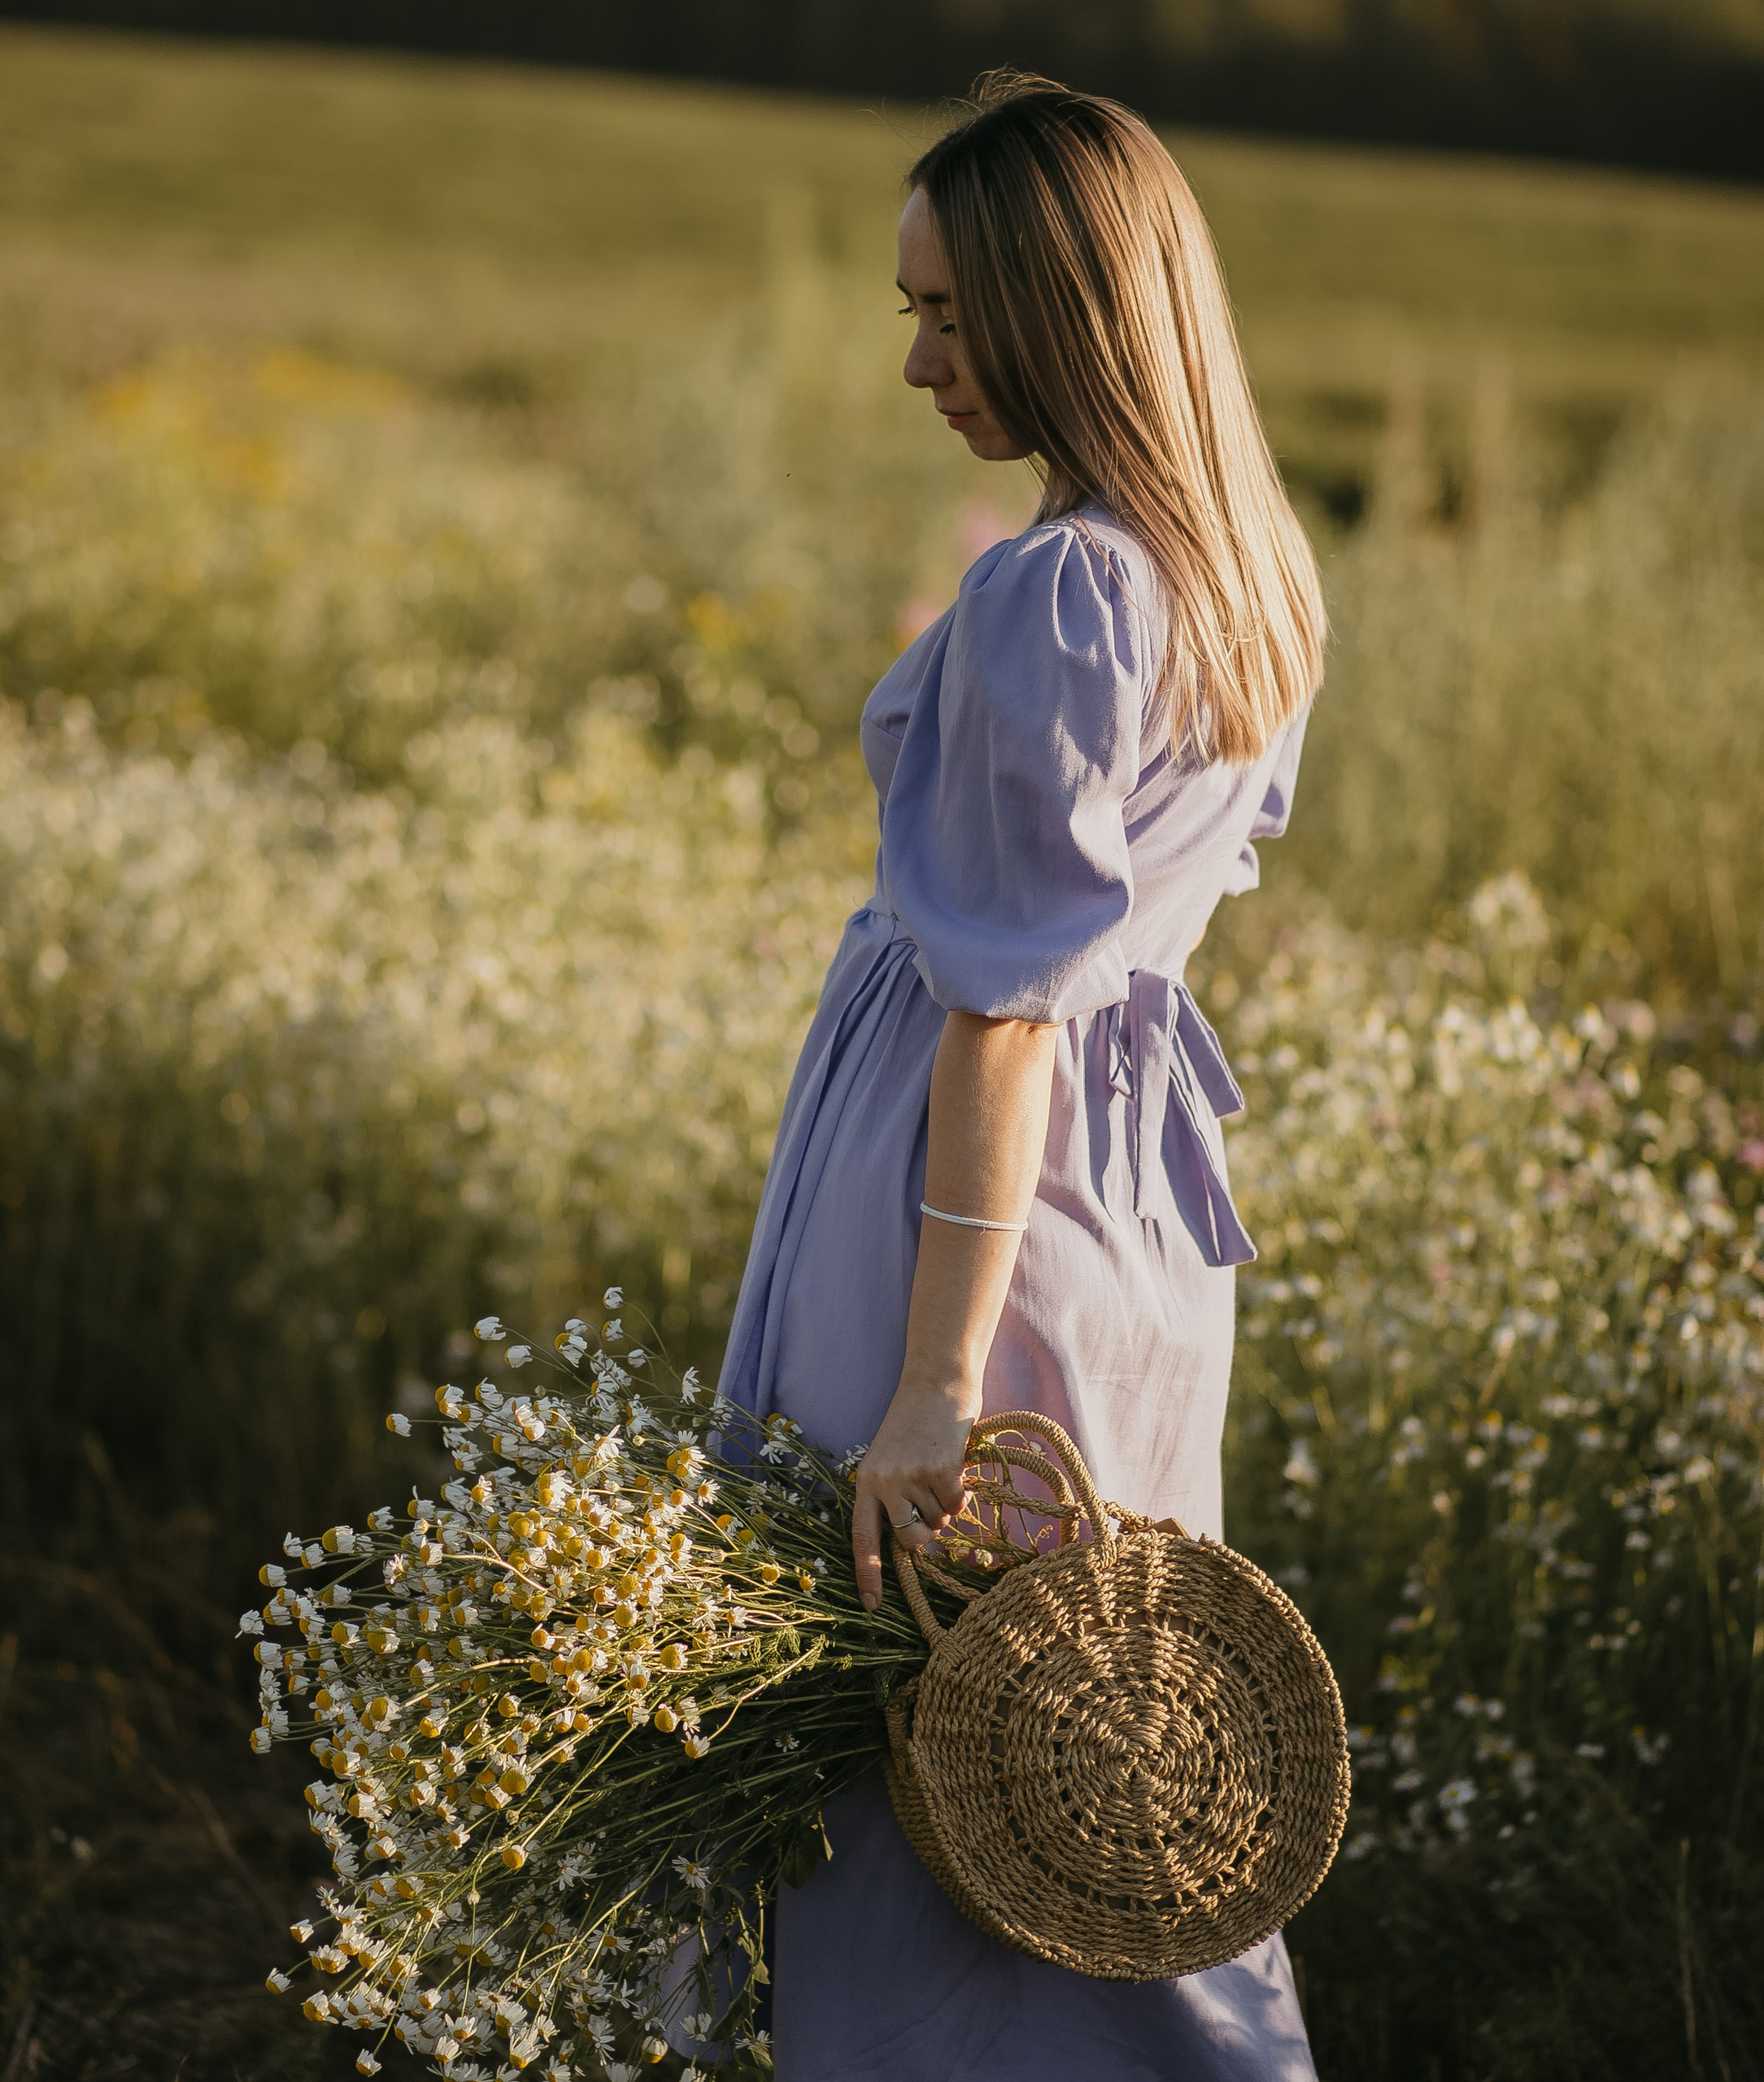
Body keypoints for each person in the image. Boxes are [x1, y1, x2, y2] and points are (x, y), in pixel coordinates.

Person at [716, 73, 1326, 2082]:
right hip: (1130, 1223)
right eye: (911, 310)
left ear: (1072, 310)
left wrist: (927, 1378)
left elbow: (1006, 1007)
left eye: (953, 318)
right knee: (1093, 1726)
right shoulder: (1233, 560)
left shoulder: (1059, 586)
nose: (917, 363)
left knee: (921, 1723)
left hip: (982, 1216)